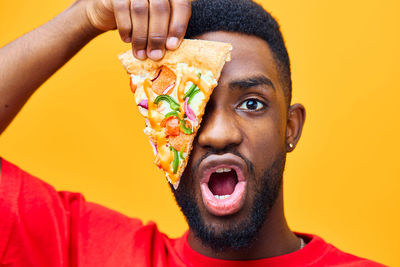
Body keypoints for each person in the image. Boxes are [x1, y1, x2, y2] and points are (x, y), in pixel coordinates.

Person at [0, 0, 385, 266]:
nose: (218, 134)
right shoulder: (86, 253)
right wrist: (84, 16)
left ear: (291, 127)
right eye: (190, 105)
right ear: (155, 126)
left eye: (251, 103)